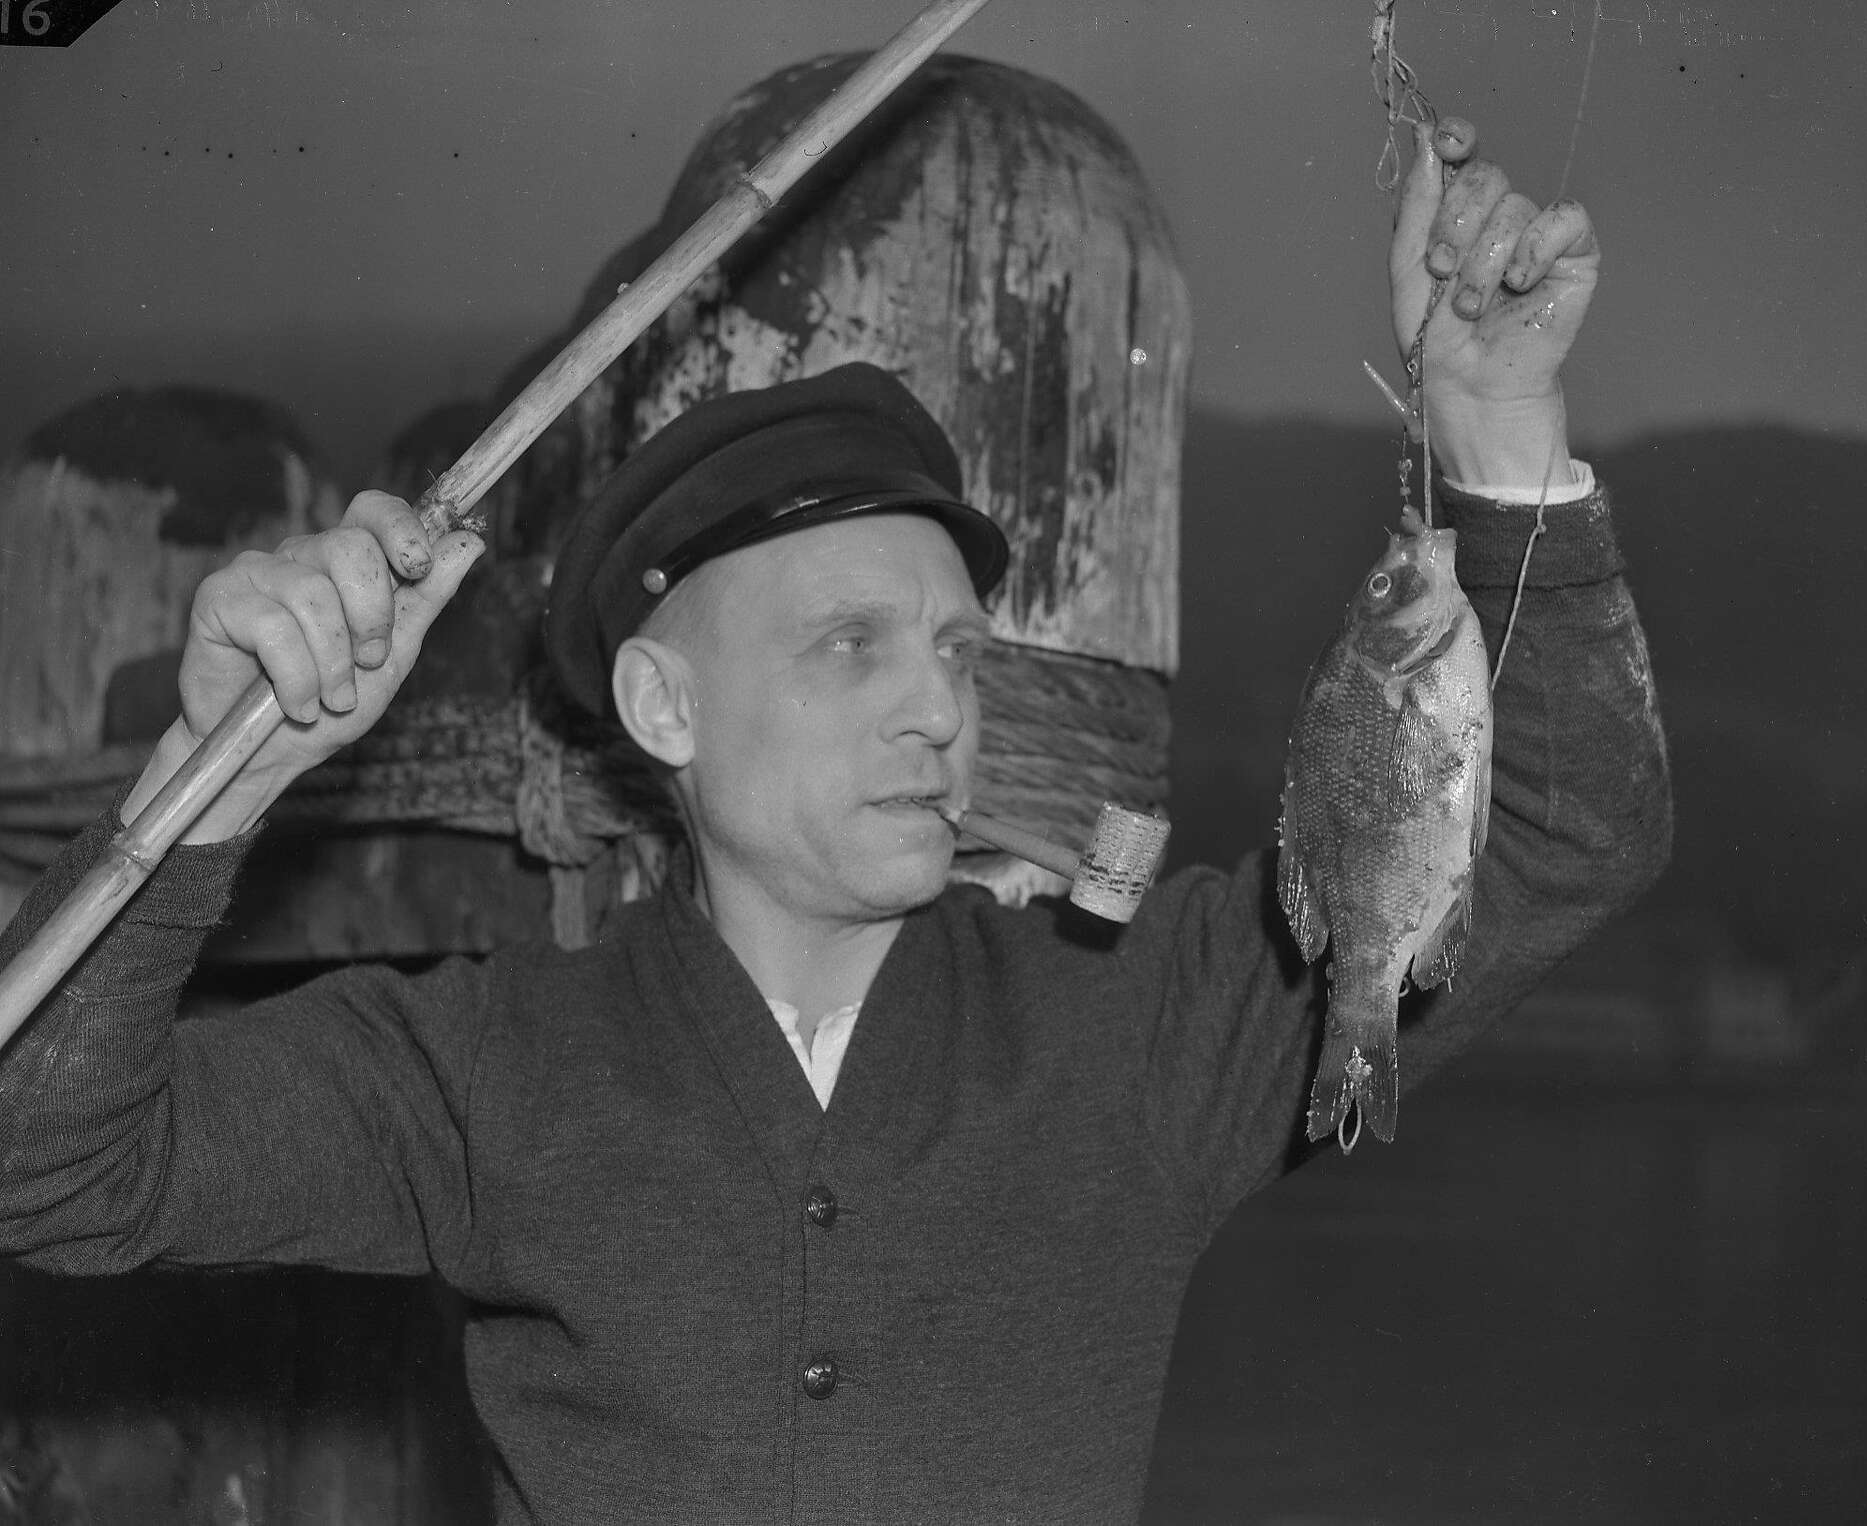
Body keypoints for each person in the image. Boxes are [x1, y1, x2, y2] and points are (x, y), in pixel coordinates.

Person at [0, 120, 1669, 1524]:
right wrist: (213, 780)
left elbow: (1570, 825)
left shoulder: (1141, 1032)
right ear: (664, 709)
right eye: (848, 644)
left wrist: (1492, 429)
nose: (938, 704)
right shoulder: (482, 1065)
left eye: (953, 647)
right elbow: (50, 1165)